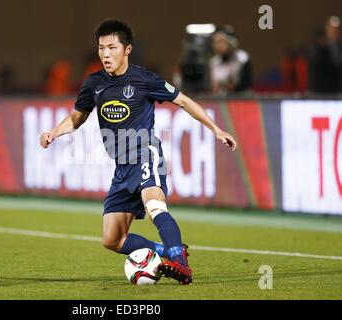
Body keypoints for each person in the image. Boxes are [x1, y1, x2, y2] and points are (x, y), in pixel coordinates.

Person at [40, 19, 237, 285]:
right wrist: (54, 132)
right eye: (101, 48)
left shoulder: (145, 79)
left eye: (111, 47)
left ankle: (180, 264)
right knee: (112, 240)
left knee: (155, 206)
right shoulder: (94, 83)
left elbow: (184, 101)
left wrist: (216, 129)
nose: (105, 54)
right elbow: (77, 116)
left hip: (145, 154)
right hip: (121, 167)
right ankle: (167, 249)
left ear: (127, 49)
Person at [209, 27, 252, 95]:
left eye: (221, 42)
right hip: (220, 98)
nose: (218, 46)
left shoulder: (242, 58)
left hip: (240, 97)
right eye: (215, 43)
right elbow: (213, 86)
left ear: (231, 42)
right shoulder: (214, 61)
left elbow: (243, 84)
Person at [309, 16, 342, 93]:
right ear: (328, 30)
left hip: (338, 90)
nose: (335, 32)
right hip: (323, 90)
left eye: (337, 29)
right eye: (333, 29)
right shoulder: (319, 47)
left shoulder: (340, 47)